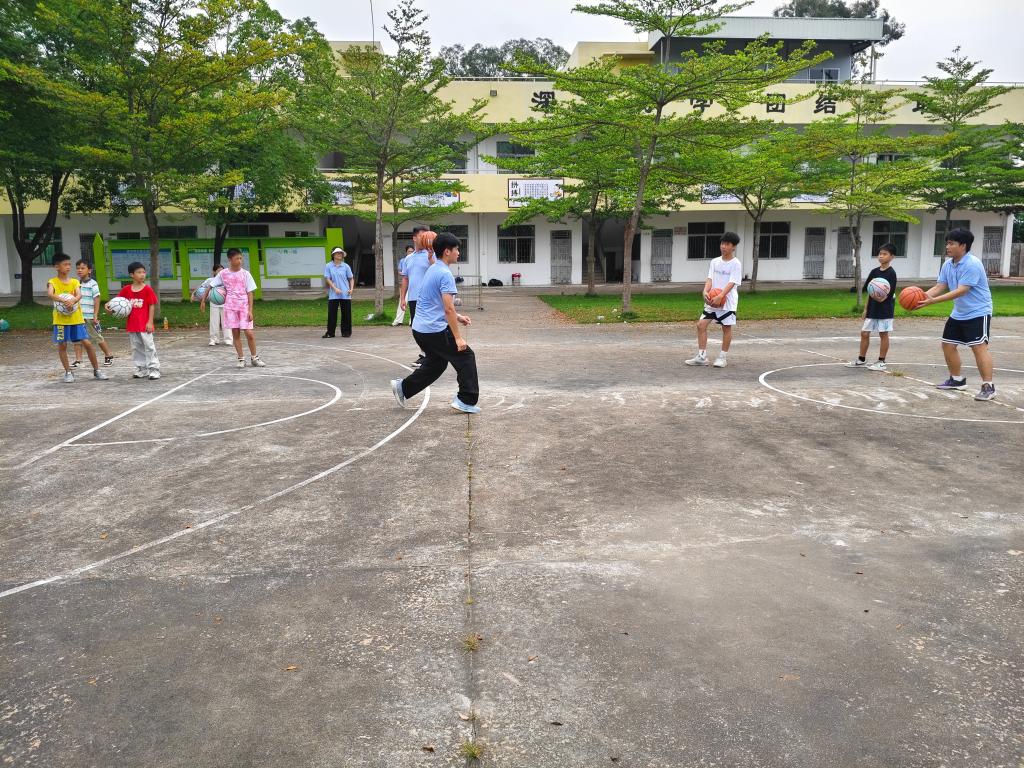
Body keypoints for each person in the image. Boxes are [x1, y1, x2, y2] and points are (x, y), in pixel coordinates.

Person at [391, 231, 480, 414]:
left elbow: (436, 303)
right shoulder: (444, 274)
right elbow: (448, 308)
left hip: (420, 329)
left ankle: (403, 388)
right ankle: (465, 399)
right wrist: (458, 338)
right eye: (456, 249)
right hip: (433, 330)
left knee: (437, 364)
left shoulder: (434, 269)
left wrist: (458, 317)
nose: (458, 253)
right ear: (447, 251)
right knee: (466, 357)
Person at [915, 228, 996, 401]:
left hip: (978, 311)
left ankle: (988, 387)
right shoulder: (948, 264)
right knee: (948, 345)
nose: (947, 246)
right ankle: (957, 380)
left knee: (979, 347)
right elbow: (940, 286)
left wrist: (933, 301)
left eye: (951, 243)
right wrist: (920, 299)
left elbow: (961, 290)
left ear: (963, 245)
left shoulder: (972, 264)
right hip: (959, 312)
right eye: (947, 243)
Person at [685, 232, 743, 368]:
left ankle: (722, 357)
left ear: (733, 247)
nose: (723, 246)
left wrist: (721, 296)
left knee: (726, 328)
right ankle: (702, 357)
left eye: (727, 244)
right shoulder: (715, 262)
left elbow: (732, 283)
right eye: (722, 243)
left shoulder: (736, 264)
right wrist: (705, 291)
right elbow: (710, 279)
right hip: (712, 300)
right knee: (701, 325)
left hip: (727, 302)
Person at [48, 253, 108, 383]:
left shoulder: (75, 282)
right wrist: (63, 300)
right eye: (65, 264)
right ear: (57, 267)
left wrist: (73, 300)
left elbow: (79, 295)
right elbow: (50, 294)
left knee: (87, 343)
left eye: (69, 264)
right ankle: (68, 372)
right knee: (62, 345)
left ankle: (97, 370)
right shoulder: (52, 282)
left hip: (76, 319)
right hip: (60, 320)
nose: (68, 267)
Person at [207, 247, 265, 368]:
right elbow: (211, 285)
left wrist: (250, 310)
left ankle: (254, 358)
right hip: (230, 308)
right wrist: (203, 300)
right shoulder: (223, 274)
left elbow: (250, 293)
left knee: (249, 333)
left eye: (240, 258)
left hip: (243, 308)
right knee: (235, 334)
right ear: (230, 260)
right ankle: (241, 359)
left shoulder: (245, 274)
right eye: (237, 258)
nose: (240, 261)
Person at [846, 243, 897, 371]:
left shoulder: (891, 273)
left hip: (885, 309)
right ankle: (861, 359)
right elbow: (870, 292)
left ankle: (881, 361)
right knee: (864, 333)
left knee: (883, 334)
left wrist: (880, 297)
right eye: (880, 254)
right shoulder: (874, 272)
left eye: (885, 254)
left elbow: (888, 294)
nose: (881, 256)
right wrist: (865, 309)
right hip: (873, 308)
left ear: (892, 257)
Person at [107, 261, 160, 380]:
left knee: (149, 346)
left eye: (143, 272)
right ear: (132, 275)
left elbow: (152, 305)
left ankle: (154, 369)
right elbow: (117, 302)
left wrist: (150, 322)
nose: (142, 274)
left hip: (144, 325)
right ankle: (141, 369)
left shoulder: (147, 289)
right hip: (132, 325)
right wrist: (108, 306)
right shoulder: (126, 289)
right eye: (139, 272)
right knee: (136, 348)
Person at [400, 226, 434, 368]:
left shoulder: (431, 254)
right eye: (421, 236)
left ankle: (429, 356)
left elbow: (437, 270)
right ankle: (425, 354)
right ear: (414, 238)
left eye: (427, 236)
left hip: (428, 299)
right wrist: (402, 298)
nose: (425, 238)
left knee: (427, 328)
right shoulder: (408, 258)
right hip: (413, 298)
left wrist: (431, 258)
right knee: (416, 329)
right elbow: (405, 279)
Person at [72, 258, 115, 368]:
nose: (80, 270)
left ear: (89, 270)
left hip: (89, 316)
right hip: (77, 316)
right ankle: (79, 360)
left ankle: (109, 355)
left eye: (83, 268)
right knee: (77, 338)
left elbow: (97, 299)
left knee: (96, 337)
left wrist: (95, 315)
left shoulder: (93, 284)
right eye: (78, 268)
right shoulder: (76, 284)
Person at [322, 247, 355, 338]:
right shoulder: (328, 266)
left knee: (346, 314)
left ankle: (346, 332)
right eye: (337, 253)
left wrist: (351, 289)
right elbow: (327, 278)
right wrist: (335, 288)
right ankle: (330, 333)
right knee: (332, 314)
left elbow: (351, 278)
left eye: (341, 253)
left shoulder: (346, 266)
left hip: (345, 294)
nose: (339, 255)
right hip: (334, 294)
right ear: (333, 255)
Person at [194, 263, 227, 346]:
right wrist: (194, 294)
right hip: (214, 303)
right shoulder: (210, 280)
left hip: (225, 304)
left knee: (226, 322)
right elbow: (201, 287)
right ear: (214, 272)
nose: (220, 272)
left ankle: (228, 339)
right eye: (219, 270)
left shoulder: (227, 280)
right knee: (214, 322)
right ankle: (214, 339)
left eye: (222, 270)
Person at [391, 245, 415, 327]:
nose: (410, 253)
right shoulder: (403, 260)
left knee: (414, 304)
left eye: (412, 251)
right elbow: (400, 271)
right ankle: (398, 321)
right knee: (402, 301)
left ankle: (412, 321)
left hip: (414, 285)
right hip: (405, 284)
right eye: (409, 251)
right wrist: (405, 274)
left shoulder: (416, 260)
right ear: (406, 252)